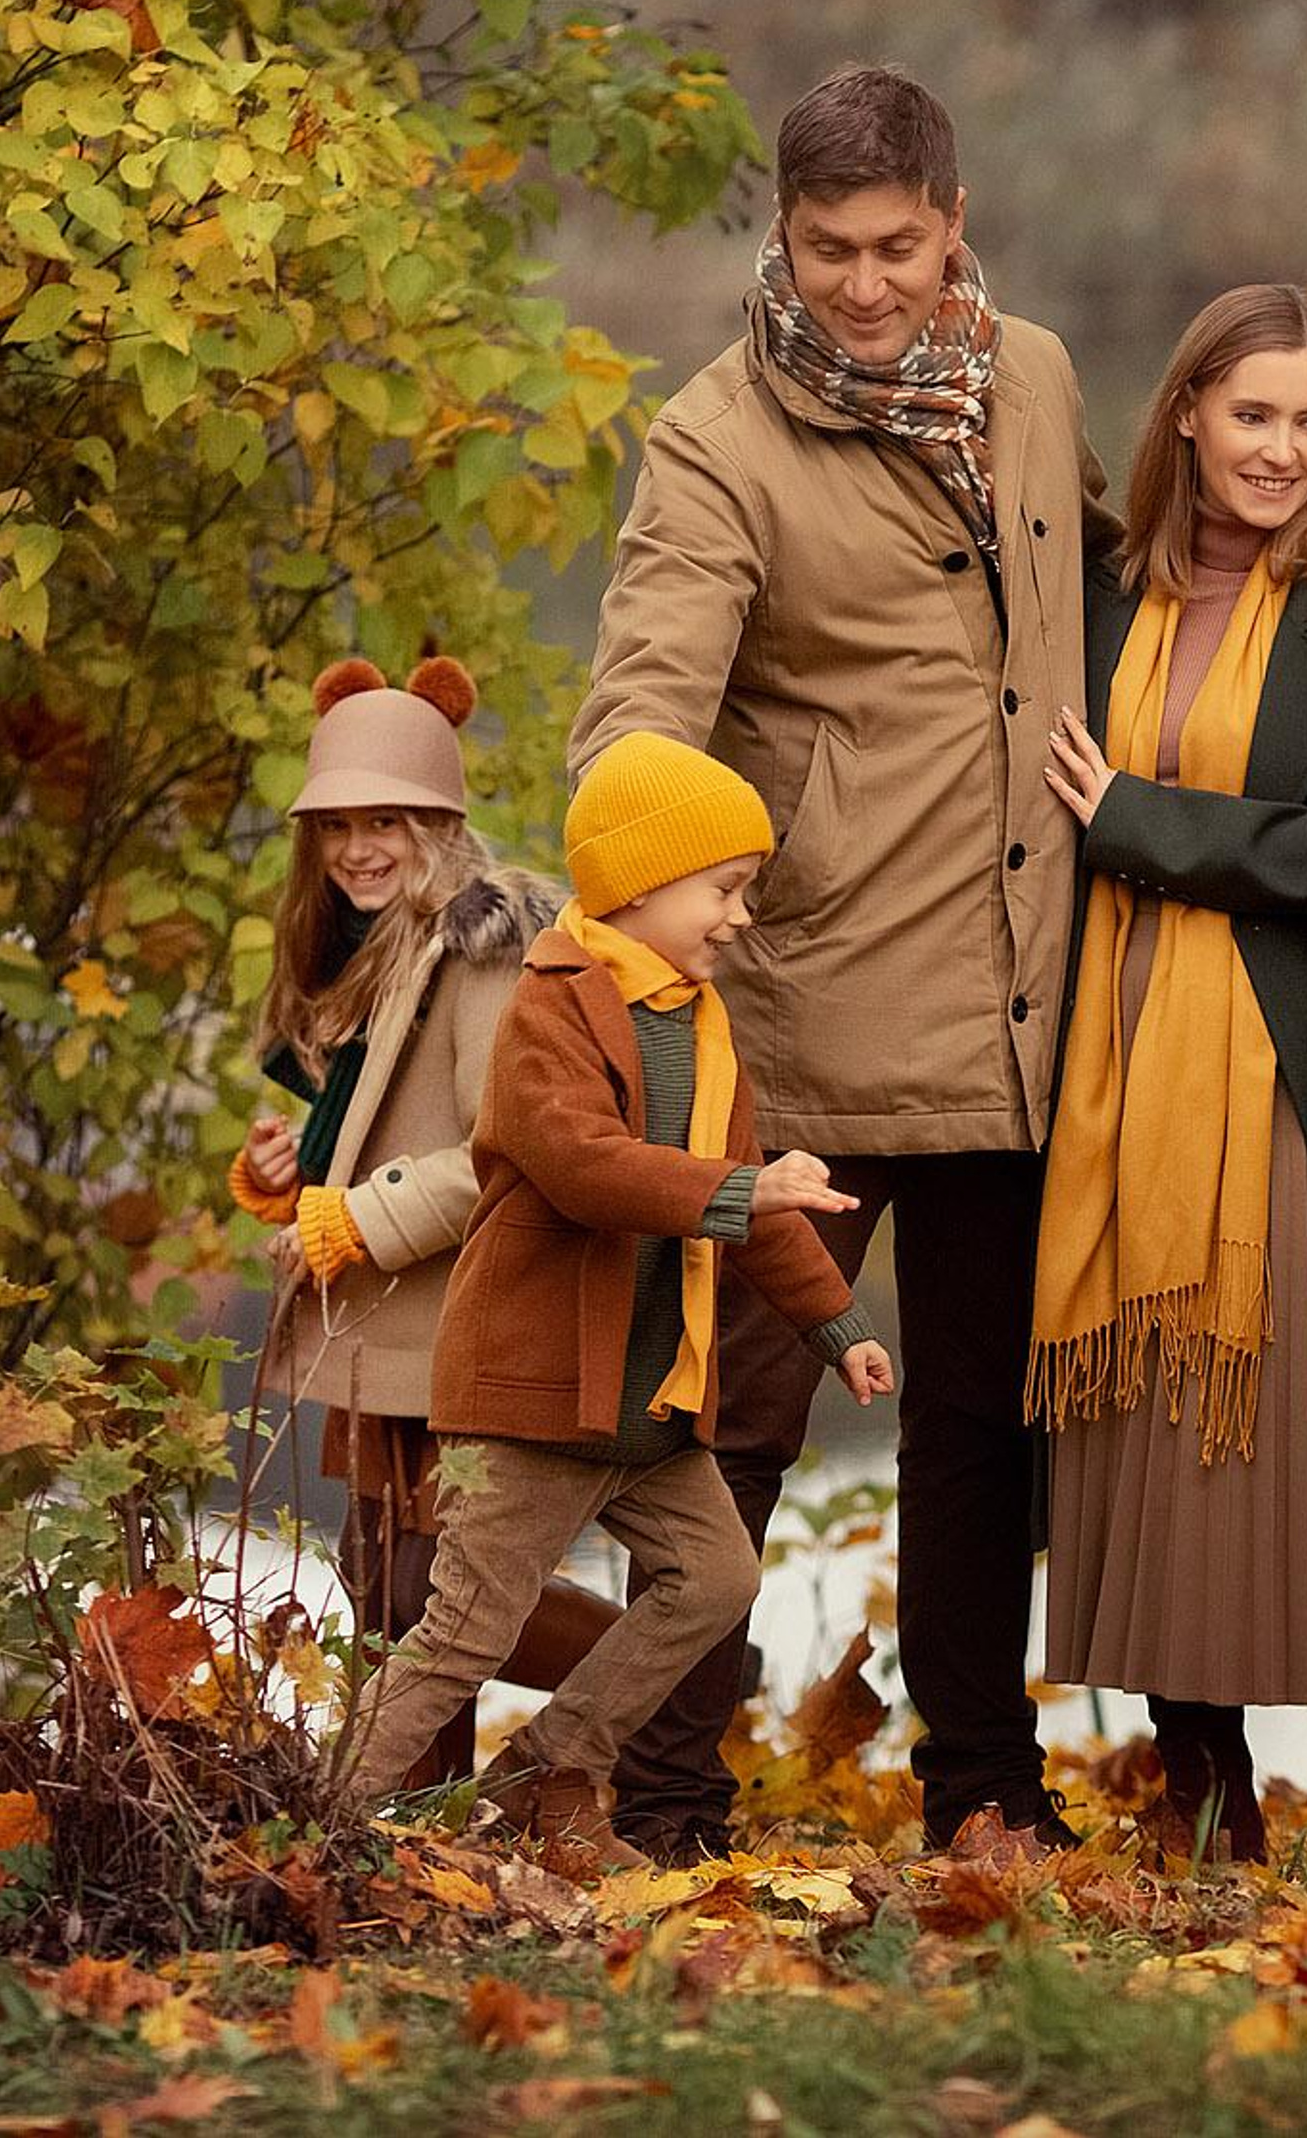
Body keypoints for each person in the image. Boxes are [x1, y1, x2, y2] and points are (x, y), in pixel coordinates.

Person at [571, 64, 1117, 1857]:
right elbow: (641, 715)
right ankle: (661, 1799)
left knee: (983, 1424)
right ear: (782, 236)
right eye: (829, 250)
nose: (865, 286)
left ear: (955, 224)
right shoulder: (716, 442)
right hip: (808, 1008)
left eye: (896, 246)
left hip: (1025, 997)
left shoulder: (1033, 377)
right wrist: (635, 914)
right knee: (733, 1422)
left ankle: (985, 1789)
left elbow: (1101, 595)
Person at [1029, 283, 1307, 1865]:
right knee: (1139, 1408)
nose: (1283, 450)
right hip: (1110, 1050)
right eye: (1254, 414)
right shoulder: (1091, 603)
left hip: (1296, 1062)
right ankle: (1202, 1787)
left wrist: (1138, 821)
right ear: (1188, 414)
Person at [334, 733, 895, 1870]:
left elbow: (746, 1196)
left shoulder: (701, 1021)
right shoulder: (552, 1007)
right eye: (722, 889)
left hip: (649, 1395)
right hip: (540, 1390)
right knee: (463, 1632)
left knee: (717, 1577)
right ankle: (303, 1822)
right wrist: (739, 1191)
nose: (738, 917)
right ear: (640, 883)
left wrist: (836, 1327)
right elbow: (582, 1167)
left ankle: (552, 1768)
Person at [236, 654, 615, 1784]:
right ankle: (419, 1817)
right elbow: (366, 1131)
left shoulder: (480, 951)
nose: (358, 847)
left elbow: (503, 1149)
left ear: (438, 823)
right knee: (380, 1590)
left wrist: (353, 1220)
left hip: (459, 1320)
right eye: (338, 824)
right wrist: (285, 1175)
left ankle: (681, 1670)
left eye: (386, 821)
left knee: (433, 1589)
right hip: (378, 1325)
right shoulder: (358, 954)